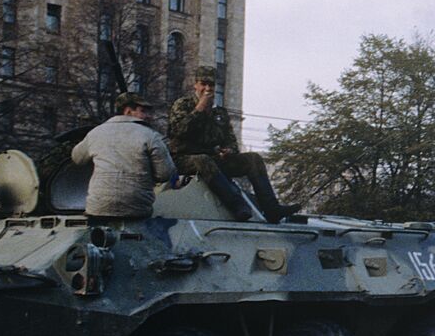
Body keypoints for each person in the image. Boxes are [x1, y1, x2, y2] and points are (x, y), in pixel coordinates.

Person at [168, 67, 298, 223]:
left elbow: (231, 141)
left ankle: (271, 208)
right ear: (195, 85)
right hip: (183, 159)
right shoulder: (182, 104)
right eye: (204, 84)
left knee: (253, 159)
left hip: (212, 161)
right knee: (203, 160)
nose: (208, 89)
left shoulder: (220, 113)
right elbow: (178, 131)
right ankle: (237, 205)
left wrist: (228, 151)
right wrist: (200, 108)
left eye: (212, 85)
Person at [71, 92, 177, 220]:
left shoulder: (96, 132)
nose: (148, 116)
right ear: (127, 111)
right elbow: (165, 174)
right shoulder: (151, 136)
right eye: (143, 111)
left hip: (98, 208)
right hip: (136, 209)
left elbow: (77, 158)